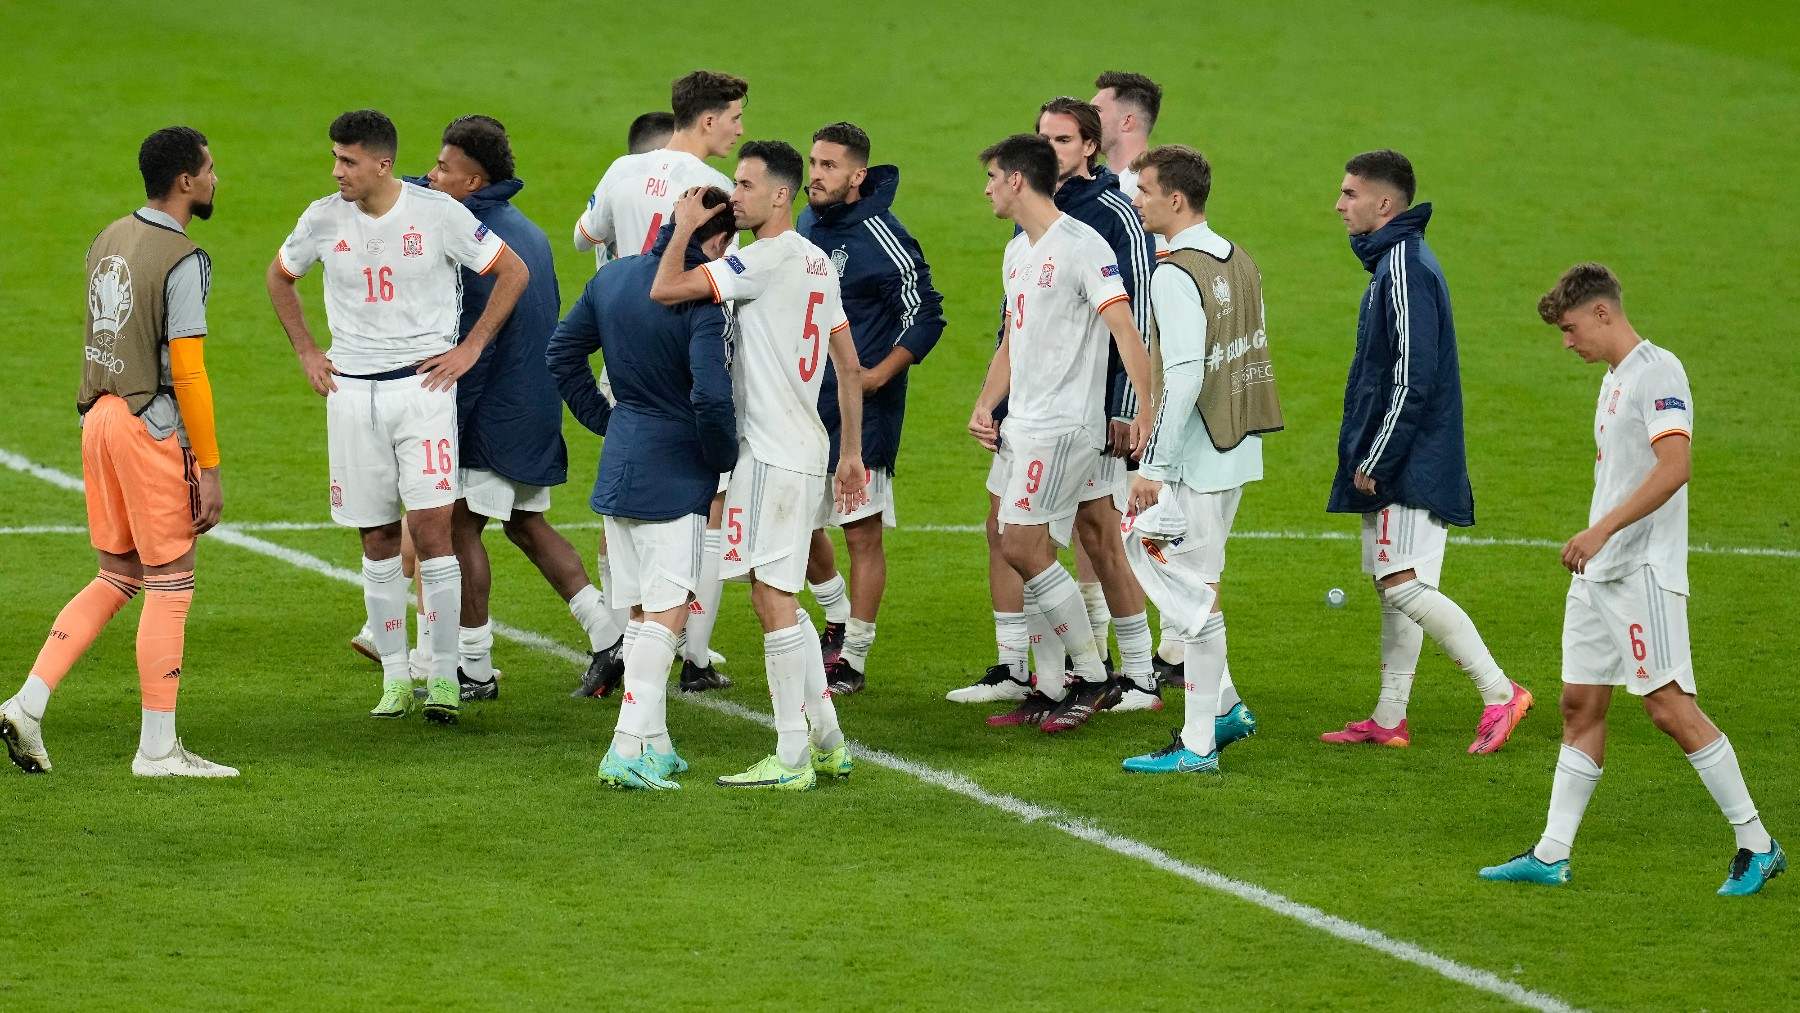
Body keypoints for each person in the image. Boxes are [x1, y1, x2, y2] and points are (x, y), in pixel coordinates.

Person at [1479, 264, 1784, 895]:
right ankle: (1551, 854)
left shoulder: (1658, 373)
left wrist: (1602, 530)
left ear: (1602, 313)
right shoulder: (1615, 379)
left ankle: (1758, 843)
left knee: (1669, 709)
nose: (1566, 343)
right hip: (1598, 576)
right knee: (1578, 706)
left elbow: (1676, 467)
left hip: (1640, 570)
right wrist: (1599, 544)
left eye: (1569, 329)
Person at [267, 109, 528, 725]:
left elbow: (512, 271)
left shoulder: (437, 214)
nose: (337, 172)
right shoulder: (322, 217)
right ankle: (392, 679)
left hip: (422, 390)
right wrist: (307, 349)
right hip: (352, 394)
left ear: (382, 164)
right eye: (335, 158)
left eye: (348, 161)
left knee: (434, 532)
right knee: (377, 537)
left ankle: (440, 677)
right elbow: (281, 277)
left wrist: (472, 347)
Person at [1, 126, 234, 778]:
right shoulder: (183, 257)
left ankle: (27, 702)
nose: (216, 178)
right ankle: (158, 749)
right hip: (148, 424)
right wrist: (208, 466)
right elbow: (187, 370)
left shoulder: (107, 237)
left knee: (118, 575)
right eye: (210, 169)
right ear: (185, 181)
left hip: (98, 418)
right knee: (171, 583)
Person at [650, 141, 868, 791]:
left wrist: (685, 228)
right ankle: (827, 739)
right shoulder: (816, 259)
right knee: (781, 595)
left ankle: (792, 754)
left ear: (781, 195)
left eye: (744, 185)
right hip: (806, 448)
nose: (733, 195)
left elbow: (665, 288)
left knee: (772, 598)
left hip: (770, 454)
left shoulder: (761, 259)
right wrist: (850, 451)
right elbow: (848, 364)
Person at [949, 100, 1159, 718]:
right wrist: (987, 404)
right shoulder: (1019, 250)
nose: (986, 189)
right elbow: (1014, 339)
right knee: (1047, 539)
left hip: (1064, 426)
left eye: (991, 178)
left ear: (1016, 180)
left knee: (1022, 542)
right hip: (1025, 422)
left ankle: (1093, 675)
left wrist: (1144, 413)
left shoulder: (1083, 244)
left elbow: (1128, 329)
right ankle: (1057, 683)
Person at [1317, 149, 1530, 754]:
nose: (1339, 204)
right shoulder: (1392, 263)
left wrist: (1378, 457)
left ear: (1385, 204)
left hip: (1410, 458)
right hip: (1409, 451)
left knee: (1404, 582)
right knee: (1395, 584)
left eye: (1350, 193)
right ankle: (1389, 718)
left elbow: (1414, 375)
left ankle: (1500, 692)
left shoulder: (1405, 267)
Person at [417, 115, 622, 701]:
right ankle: (607, 635)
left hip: (493, 406)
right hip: (533, 401)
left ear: (473, 180)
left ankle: (475, 670)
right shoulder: (520, 229)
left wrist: (454, 422)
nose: (432, 177)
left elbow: (474, 349)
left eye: (442, 168)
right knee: (526, 524)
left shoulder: (475, 243)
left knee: (460, 527)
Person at [547, 188, 738, 790]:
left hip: (622, 466)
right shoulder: (702, 297)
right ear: (722, 237)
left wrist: (611, 421)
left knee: (637, 610)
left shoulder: (613, 280)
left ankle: (655, 741)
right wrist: (721, 458)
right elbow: (710, 395)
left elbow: (562, 355)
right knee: (667, 609)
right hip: (675, 472)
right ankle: (626, 746)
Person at [572, 71, 747, 693]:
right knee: (705, 498)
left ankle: (624, 642)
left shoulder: (622, 169)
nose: (738, 129)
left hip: (624, 352)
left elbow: (584, 235)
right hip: (692, 348)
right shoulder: (720, 188)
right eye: (733, 118)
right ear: (707, 120)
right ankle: (691, 655)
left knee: (623, 503)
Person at [1118, 146, 1280, 774]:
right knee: (1195, 584)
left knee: (1189, 593)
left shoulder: (1173, 273)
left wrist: (1151, 469)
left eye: (1147, 190)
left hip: (1193, 460)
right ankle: (1227, 708)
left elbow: (1183, 377)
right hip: (1235, 449)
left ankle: (1197, 744)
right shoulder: (1238, 259)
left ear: (1175, 200)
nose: (1139, 200)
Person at [797, 121, 946, 695]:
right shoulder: (807, 224)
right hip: (801, 406)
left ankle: (853, 658)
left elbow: (925, 313)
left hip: (864, 417)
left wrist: (876, 376)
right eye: (813, 162)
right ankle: (835, 611)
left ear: (857, 175)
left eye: (829, 166)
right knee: (796, 524)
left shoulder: (883, 236)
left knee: (860, 534)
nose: (816, 174)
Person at [1090, 71, 1162, 197]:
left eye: (1096, 111)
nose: (1086, 119)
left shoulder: (1150, 190)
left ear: (1127, 122)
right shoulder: (1096, 182)